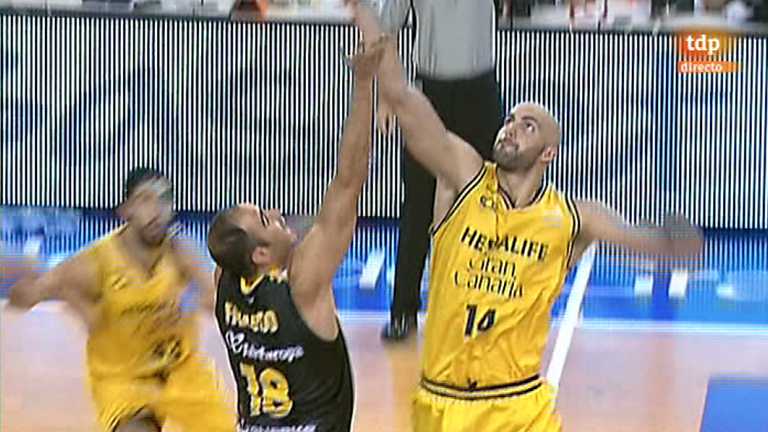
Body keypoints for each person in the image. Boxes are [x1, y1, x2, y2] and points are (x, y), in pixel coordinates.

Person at [352, 4, 704, 430]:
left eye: (528, 126)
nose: (511, 129)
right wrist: (363, 15)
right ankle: (402, 310)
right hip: (442, 404)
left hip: (518, 407)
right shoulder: (462, 181)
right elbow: (406, 101)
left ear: (548, 154)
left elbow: (653, 245)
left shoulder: (571, 216)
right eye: (510, 120)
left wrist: (675, 243)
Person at [206, 39, 385, 432]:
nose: (276, 213)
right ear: (260, 254)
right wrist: (364, 84)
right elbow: (348, 182)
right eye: (265, 219)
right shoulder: (302, 287)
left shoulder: (224, 283)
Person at [5, 168, 235, 432]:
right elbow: (24, 297)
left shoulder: (181, 250)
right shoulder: (94, 262)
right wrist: (67, 296)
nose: (156, 210)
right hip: (124, 380)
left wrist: (191, 301)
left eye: (164, 199)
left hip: (182, 371)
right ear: (126, 211)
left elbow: (213, 298)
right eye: (145, 200)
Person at [372, 0, 505, 341]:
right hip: (429, 91)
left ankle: (484, 307)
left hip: (480, 90)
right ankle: (403, 310)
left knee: (488, 201)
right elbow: (385, 30)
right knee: (418, 204)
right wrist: (387, 96)